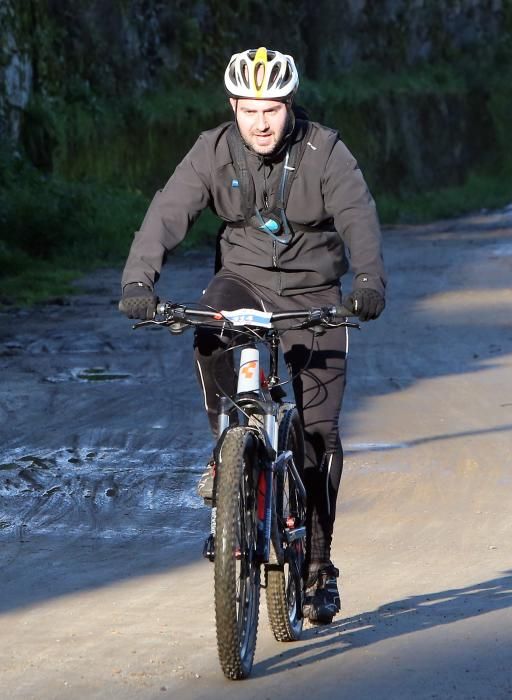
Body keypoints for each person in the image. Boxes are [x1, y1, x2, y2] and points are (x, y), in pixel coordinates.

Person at [118, 47, 386, 622]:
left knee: (318, 434)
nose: (260, 123)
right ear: (233, 107)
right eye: (248, 110)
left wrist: (367, 282)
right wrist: (139, 280)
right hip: (242, 282)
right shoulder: (212, 150)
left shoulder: (326, 152)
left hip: (314, 295)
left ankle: (317, 565)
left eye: (272, 110)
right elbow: (167, 212)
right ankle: (228, 452)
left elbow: (359, 217)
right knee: (211, 325)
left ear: (290, 107)